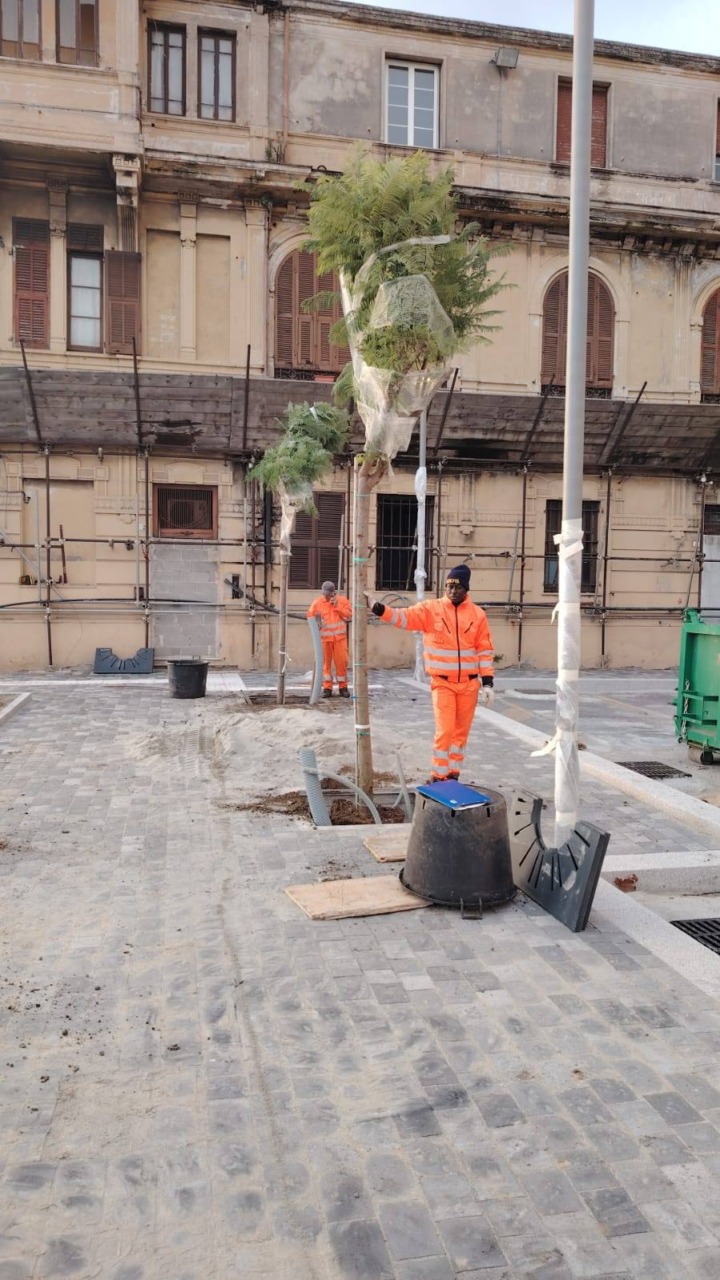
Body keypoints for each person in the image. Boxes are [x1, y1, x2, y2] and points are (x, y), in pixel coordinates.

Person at [365, 565, 494, 782]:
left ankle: (453, 774)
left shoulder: (477, 615)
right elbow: (402, 617)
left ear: (466, 589)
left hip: (470, 686)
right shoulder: (430, 610)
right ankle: (438, 776)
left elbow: (484, 650)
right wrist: (377, 607)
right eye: (448, 587)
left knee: (460, 734)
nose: (452, 591)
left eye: (458, 587)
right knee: (445, 731)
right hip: (443, 683)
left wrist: (488, 683)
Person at [307, 580, 352, 698]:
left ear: (333, 593)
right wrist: (317, 624)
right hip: (324, 639)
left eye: (327, 594)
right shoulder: (317, 603)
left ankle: (343, 687)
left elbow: (349, 616)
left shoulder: (342, 601)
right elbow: (310, 616)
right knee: (325, 664)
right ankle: (327, 688)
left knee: (342, 663)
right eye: (324, 594)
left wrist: (337, 606)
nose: (325, 596)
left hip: (340, 639)